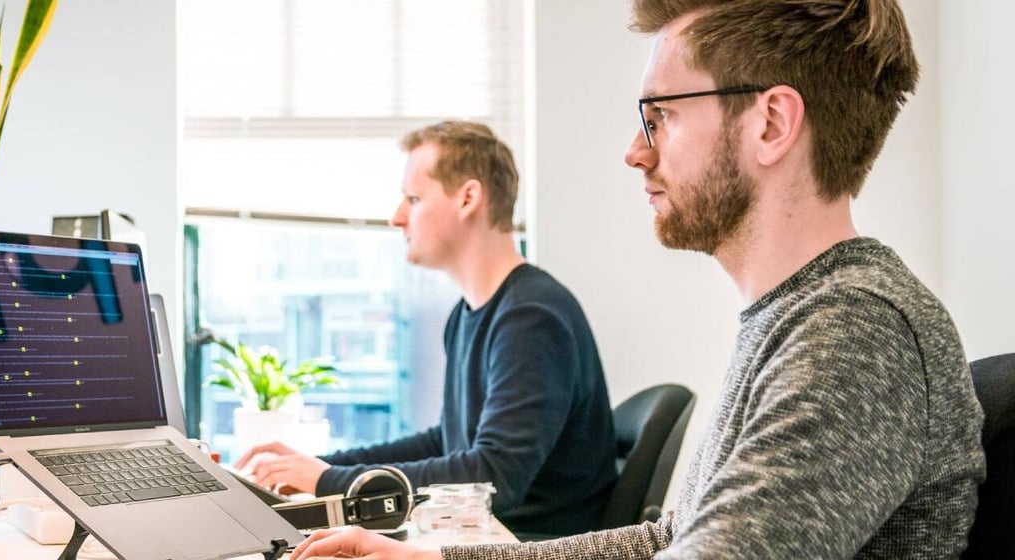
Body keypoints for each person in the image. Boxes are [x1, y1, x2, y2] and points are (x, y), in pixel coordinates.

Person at [290, 0, 986, 558]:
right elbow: (671, 536)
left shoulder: (855, 332)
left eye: (660, 117)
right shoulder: (799, 317)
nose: (634, 151)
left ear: (770, 123)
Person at [236, 121, 619, 537]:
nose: (396, 217)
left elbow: (493, 478)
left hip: (529, 543)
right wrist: (325, 466)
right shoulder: (470, 314)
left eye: (414, 198)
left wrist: (329, 482)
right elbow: (447, 442)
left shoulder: (532, 317)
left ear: (468, 198)